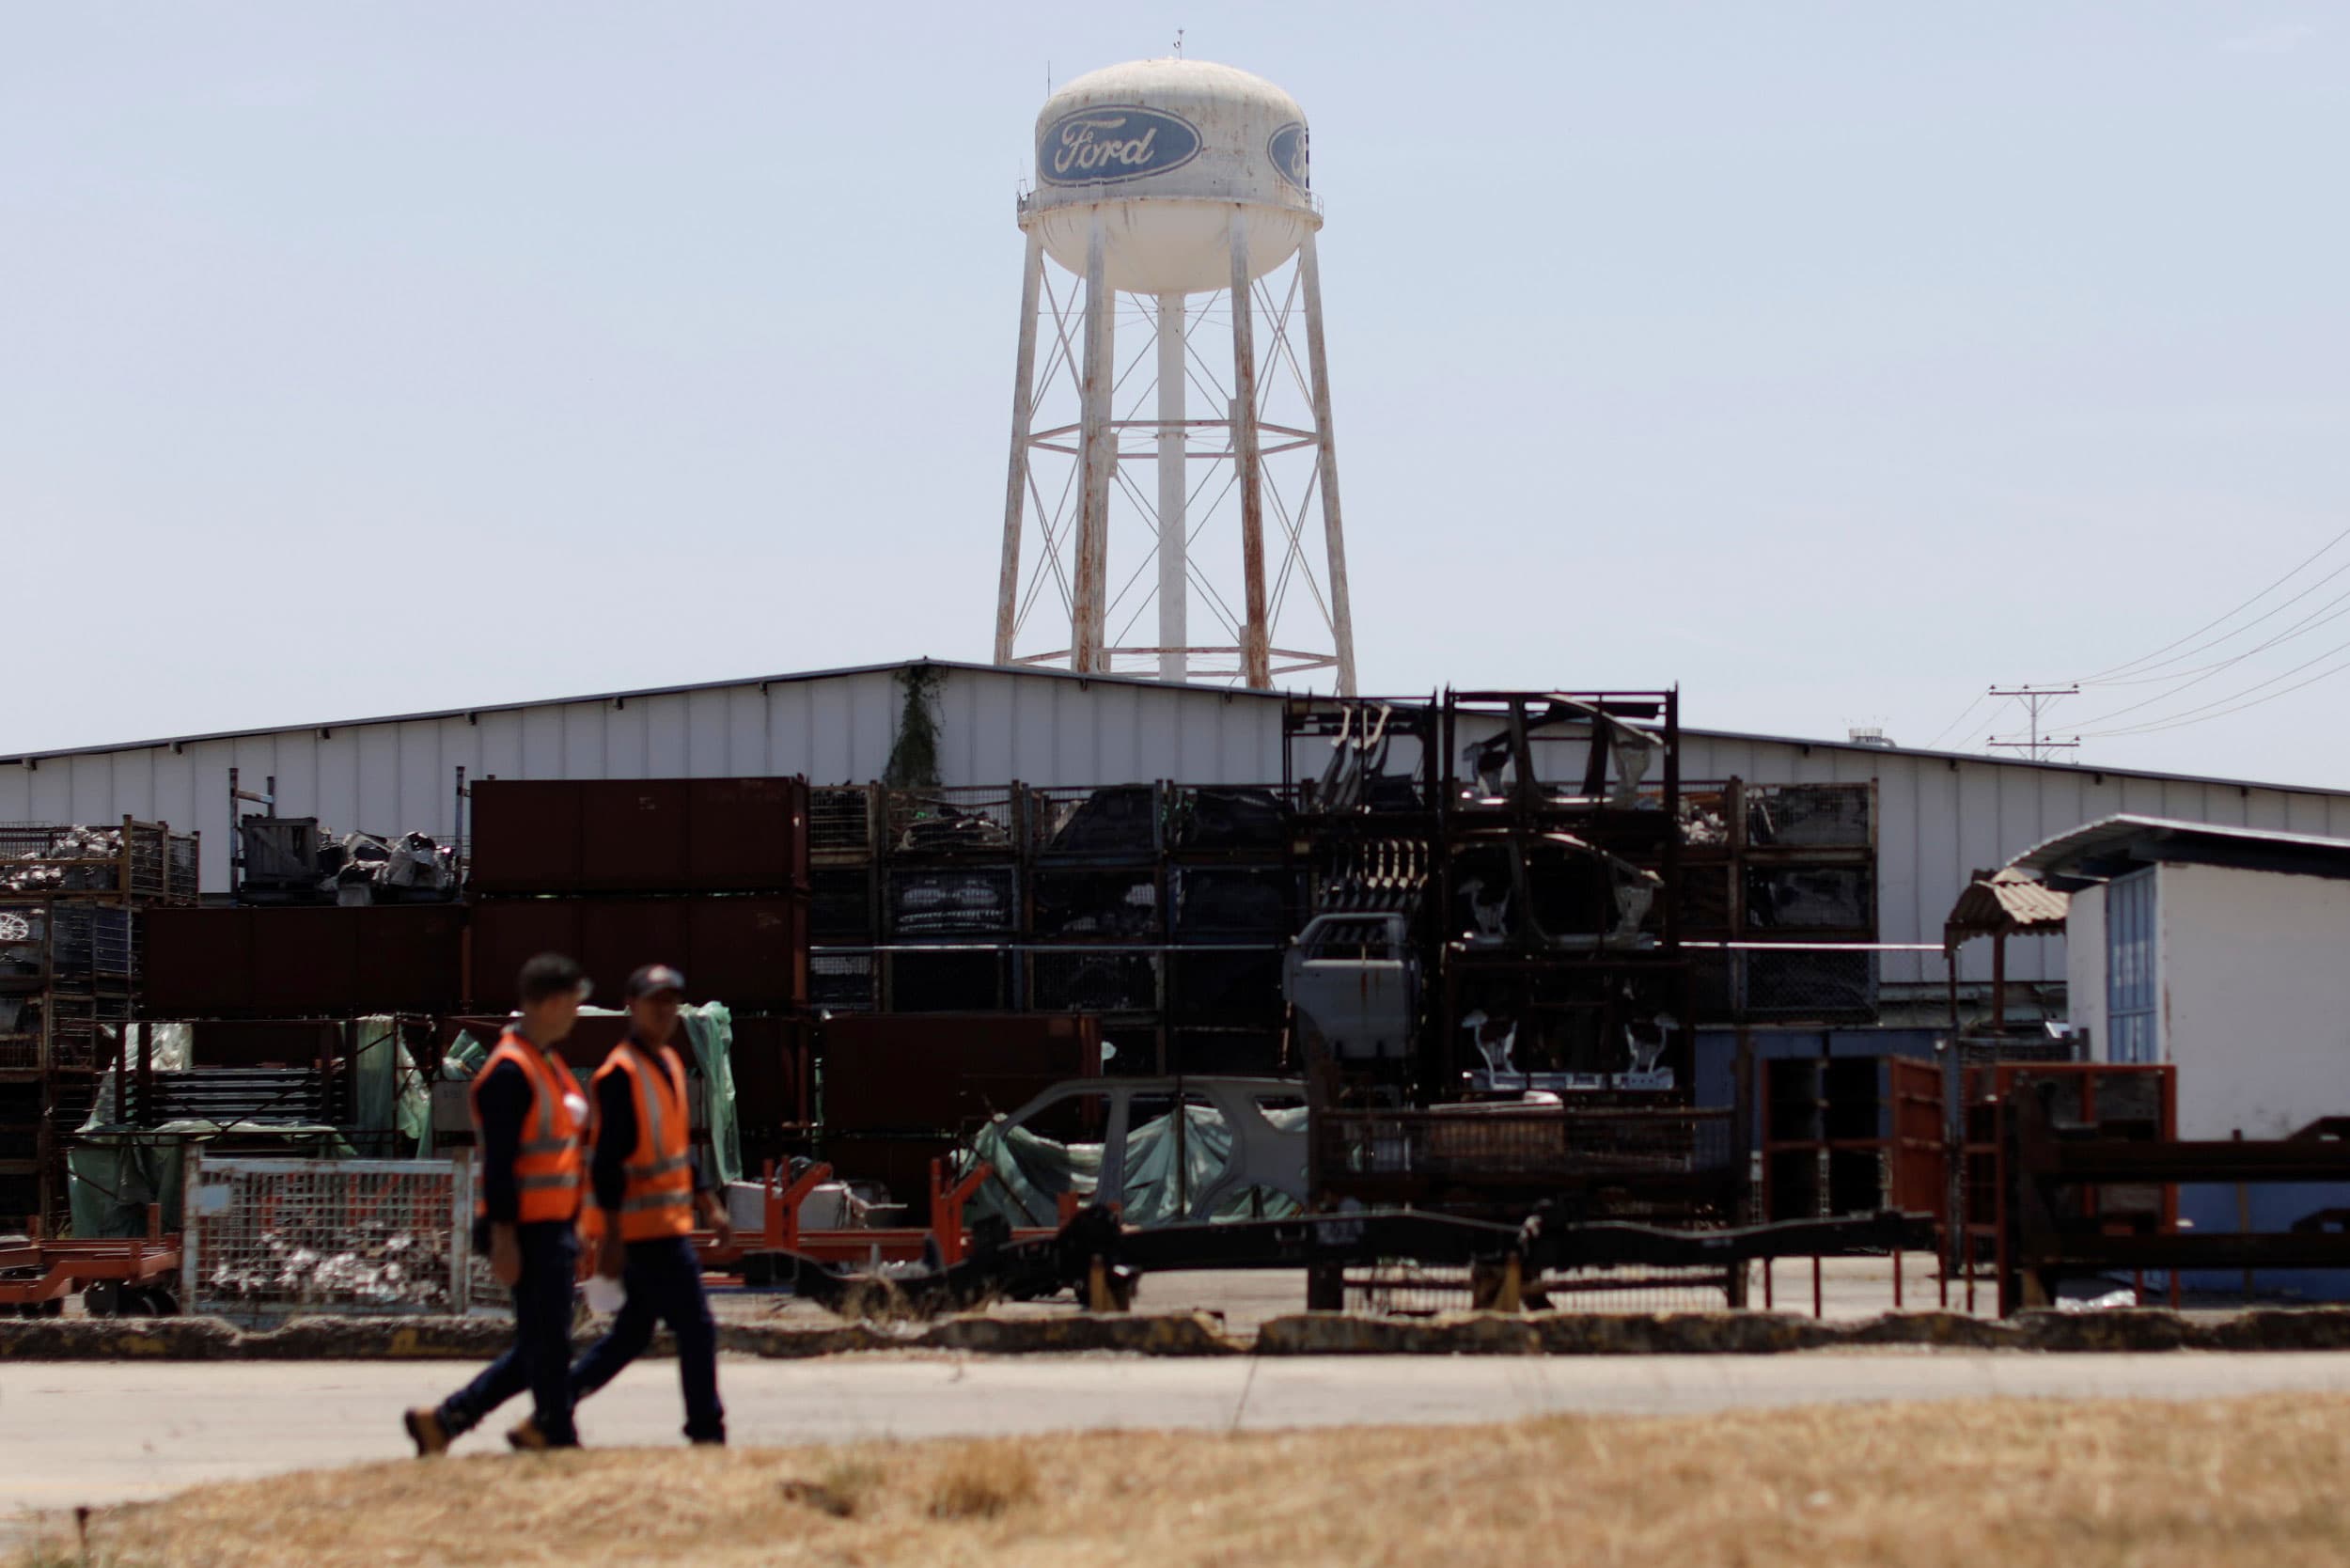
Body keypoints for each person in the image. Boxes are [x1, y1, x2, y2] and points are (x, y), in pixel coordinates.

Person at [404, 952, 592, 1455]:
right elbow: (502, 1166)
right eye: (573, 1003)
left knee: (544, 1343)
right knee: (547, 1343)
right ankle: (554, 1436)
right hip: (527, 1229)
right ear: (550, 1003)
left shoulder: (544, 1064)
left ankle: (446, 1422)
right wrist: (505, 1239)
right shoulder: (512, 1072)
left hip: (552, 1226)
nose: (577, 1013)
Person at [544, 963, 732, 1447]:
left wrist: (709, 1202)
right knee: (697, 1328)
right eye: (655, 1001)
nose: (665, 1010)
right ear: (632, 1007)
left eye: (671, 1001)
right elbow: (607, 1164)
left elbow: (675, 1148)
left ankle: (553, 1408)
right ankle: (707, 1432)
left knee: (631, 1336)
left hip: (664, 1225)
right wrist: (611, 1239)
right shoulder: (619, 1075)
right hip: (641, 1232)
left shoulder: (669, 1064)